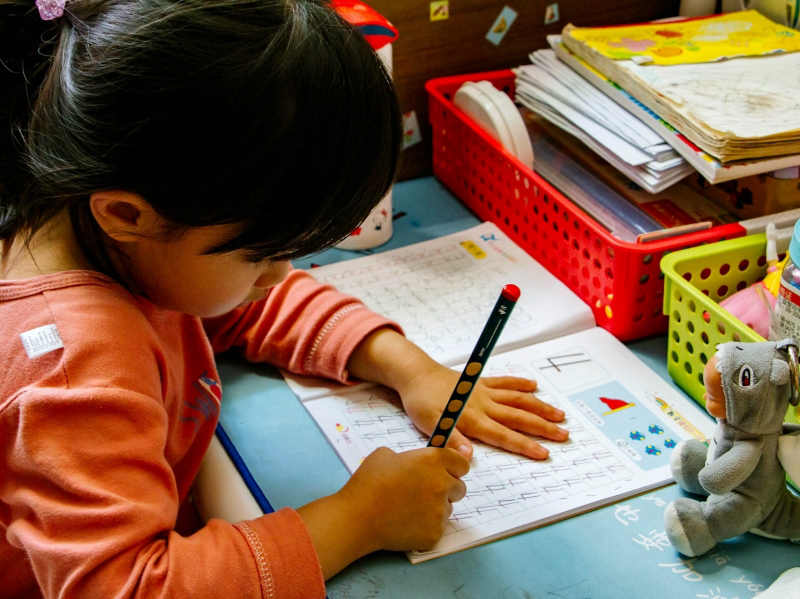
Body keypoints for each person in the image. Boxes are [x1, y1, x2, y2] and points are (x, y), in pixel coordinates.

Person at [0, 1, 569, 597]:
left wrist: (410, 370)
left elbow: (248, 301)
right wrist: (359, 519)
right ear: (126, 214)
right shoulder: (75, 372)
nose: (280, 274)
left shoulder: (97, 226)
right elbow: (133, 589)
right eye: (262, 254)